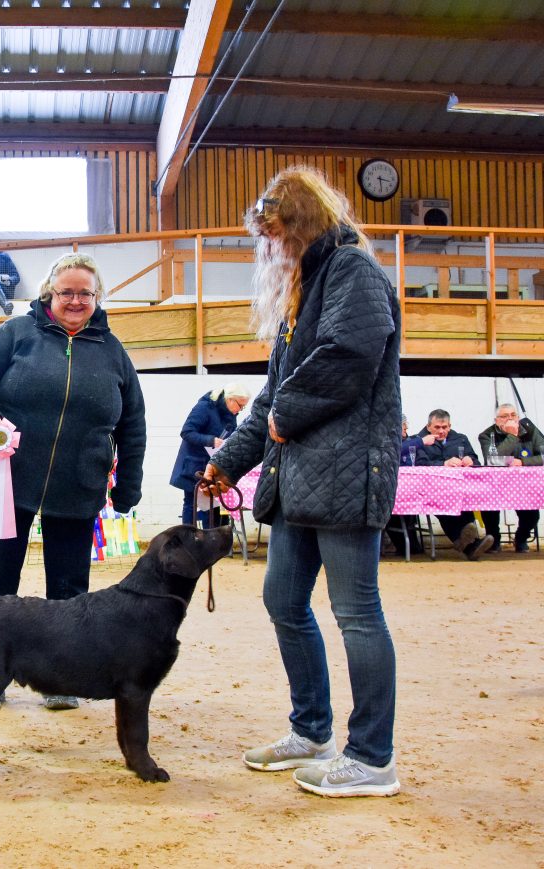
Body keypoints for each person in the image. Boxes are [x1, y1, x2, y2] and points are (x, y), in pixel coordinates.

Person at [198, 166, 401, 797]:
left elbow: (348, 356)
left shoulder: (352, 273)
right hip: (300, 480)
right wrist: (229, 458)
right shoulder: (305, 288)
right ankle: (312, 730)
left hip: (344, 475)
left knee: (356, 614)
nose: (271, 247)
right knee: (283, 601)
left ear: (302, 221)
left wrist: (285, 416)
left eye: (276, 232)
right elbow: (274, 392)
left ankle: (372, 759)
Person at [0, 252, 146, 711]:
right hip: (9, 480)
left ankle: (64, 678)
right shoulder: (16, 333)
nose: (76, 300)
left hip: (78, 486)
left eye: (85, 293)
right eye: (67, 292)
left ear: (97, 297)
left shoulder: (113, 352)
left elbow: (133, 424)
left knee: (70, 590)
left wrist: (128, 487)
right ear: (49, 294)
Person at [416, 409, 494, 560]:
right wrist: (443, 464)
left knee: (467, 500)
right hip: (433, 488)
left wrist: (470, 461)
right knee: (442, 505)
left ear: (450, 426)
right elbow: (420, 464)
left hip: (461, 487)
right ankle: (469, 540)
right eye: (437, 427)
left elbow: (475, 460)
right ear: (428, 426)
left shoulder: (461, 439)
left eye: (445, 427)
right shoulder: (420, 440)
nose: (441, 431)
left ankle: (467, 543)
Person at [169, 383, 251, 526]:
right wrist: (210, 440)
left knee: (213, 506)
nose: (241, 409)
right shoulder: (205, 407)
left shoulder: (231, 414)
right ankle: (189, 541)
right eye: (240, 405)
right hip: (193, 464)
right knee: (191, 502)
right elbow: (186, 432)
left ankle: (211, 541)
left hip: (213, 464)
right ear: (230, 399)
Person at [478, 404, 544, 553]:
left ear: (518, 417)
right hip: (495, 484)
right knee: (488, 508)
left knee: (532, 514)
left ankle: (521, 538)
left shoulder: (530, 430)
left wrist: (523, 462)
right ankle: (494, 540)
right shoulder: (486, 435)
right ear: (496, 420)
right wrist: (512, 436)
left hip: (525, 484)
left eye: (513, 415)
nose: (510, 419)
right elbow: (493, 460)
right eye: (505, 416)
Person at [384, 414, 435, 556]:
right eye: (402, 424)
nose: (406, 427)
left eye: (406, 423)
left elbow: (424, 462)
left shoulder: (412, 442)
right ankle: (405, 545)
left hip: (415, 490)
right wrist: (421, 441)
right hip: (393, 493)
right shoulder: (389, 442)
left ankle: (411, 545)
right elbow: (395, 451)